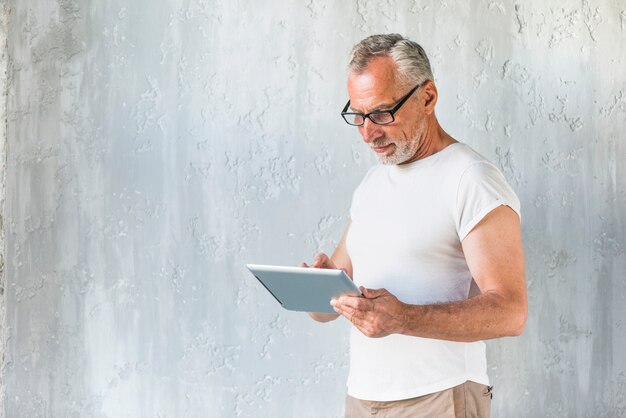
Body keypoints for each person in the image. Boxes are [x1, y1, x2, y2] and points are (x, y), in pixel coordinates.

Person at [300, 34, 527, 418]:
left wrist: (404, 318)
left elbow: (511, 312)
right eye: (358, 115)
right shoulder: (372, 185)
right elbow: (326, 308)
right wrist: (318, 287)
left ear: (427, 98)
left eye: (382, 113)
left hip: (440, 398)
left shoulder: (471, 179)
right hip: (362, 398)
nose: (368, 133)